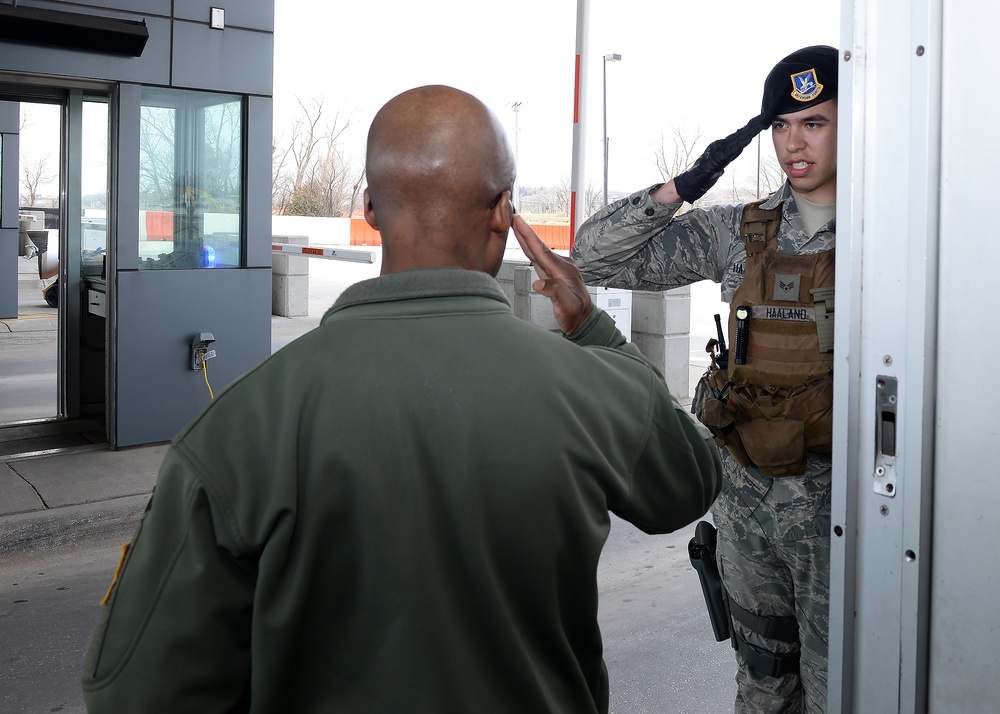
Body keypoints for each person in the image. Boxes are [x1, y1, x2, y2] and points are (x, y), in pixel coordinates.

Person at [81, 84, 722, 713]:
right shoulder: (591, 387)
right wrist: (593, 331)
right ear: (504, 210)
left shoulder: (244, 422)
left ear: (369, 208)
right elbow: (688, 484)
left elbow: (133, 689)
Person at [572, 46, 839, 713]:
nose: (793, 143)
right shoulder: (738, 233)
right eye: (780, 125)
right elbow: (592, 258)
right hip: (748, 512)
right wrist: (684, 186)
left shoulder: (898, 238)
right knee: (762, 688)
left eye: (815, 122)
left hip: (845, 521)